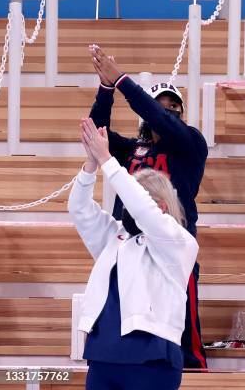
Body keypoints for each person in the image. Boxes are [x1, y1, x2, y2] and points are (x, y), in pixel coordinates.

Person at [88, 45, 209, 369]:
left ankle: (193, 370)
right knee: (130, 311)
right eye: (161, 106)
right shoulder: (132, 148)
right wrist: (106, 89)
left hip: (172, 242)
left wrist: (124, 81)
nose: (167, 111)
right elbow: (95, 133)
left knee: (182, 318)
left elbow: (162, 122)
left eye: (174, 107)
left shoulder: (191, 142)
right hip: (129, 244)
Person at [69, 119, 198, 390]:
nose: (127, 207)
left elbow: (142, 209)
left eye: (132, 200)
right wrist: (91, 165)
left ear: (160, 206)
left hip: (151, 356)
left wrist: (108, 159)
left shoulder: (178, 242)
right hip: (102, 353)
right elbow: (79, 209)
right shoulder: (115, 237)